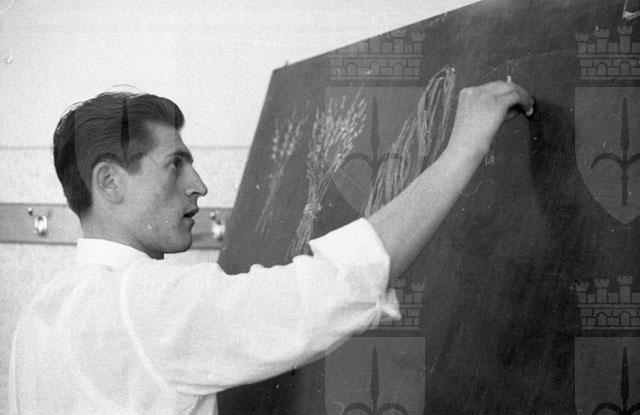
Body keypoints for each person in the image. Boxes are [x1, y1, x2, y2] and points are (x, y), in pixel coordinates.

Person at [9, 80, 533, 414]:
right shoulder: (146, 303)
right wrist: (463, 150)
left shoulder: (42, 309)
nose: (199, 186)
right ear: (110, 182)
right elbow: (330, 290)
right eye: (175, 164)